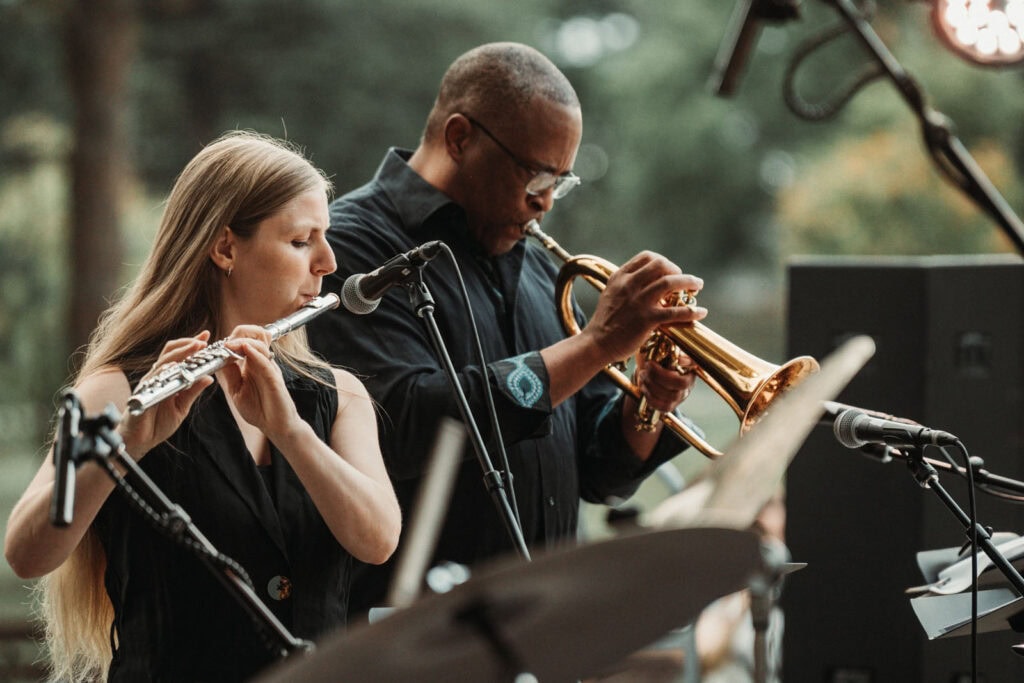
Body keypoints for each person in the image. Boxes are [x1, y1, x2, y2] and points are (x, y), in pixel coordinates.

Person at [306, 41, 707, 621]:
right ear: (460, 137)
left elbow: (599, 473)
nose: (544, 202)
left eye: (561, 182)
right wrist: (596, 344)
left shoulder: (540, 265)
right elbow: (406, 420)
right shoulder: (350, 250)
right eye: (536, 174)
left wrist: (646, 403)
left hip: (545, 632)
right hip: (416, 641)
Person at [4, 131, 402, 682]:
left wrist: (290, 432)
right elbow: (26, 552)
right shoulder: (117, 391)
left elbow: (378, 539)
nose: (328, 263)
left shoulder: (337, 398)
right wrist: (127, 444)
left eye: (325, 238)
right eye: (300, 241)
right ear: (225, 248)